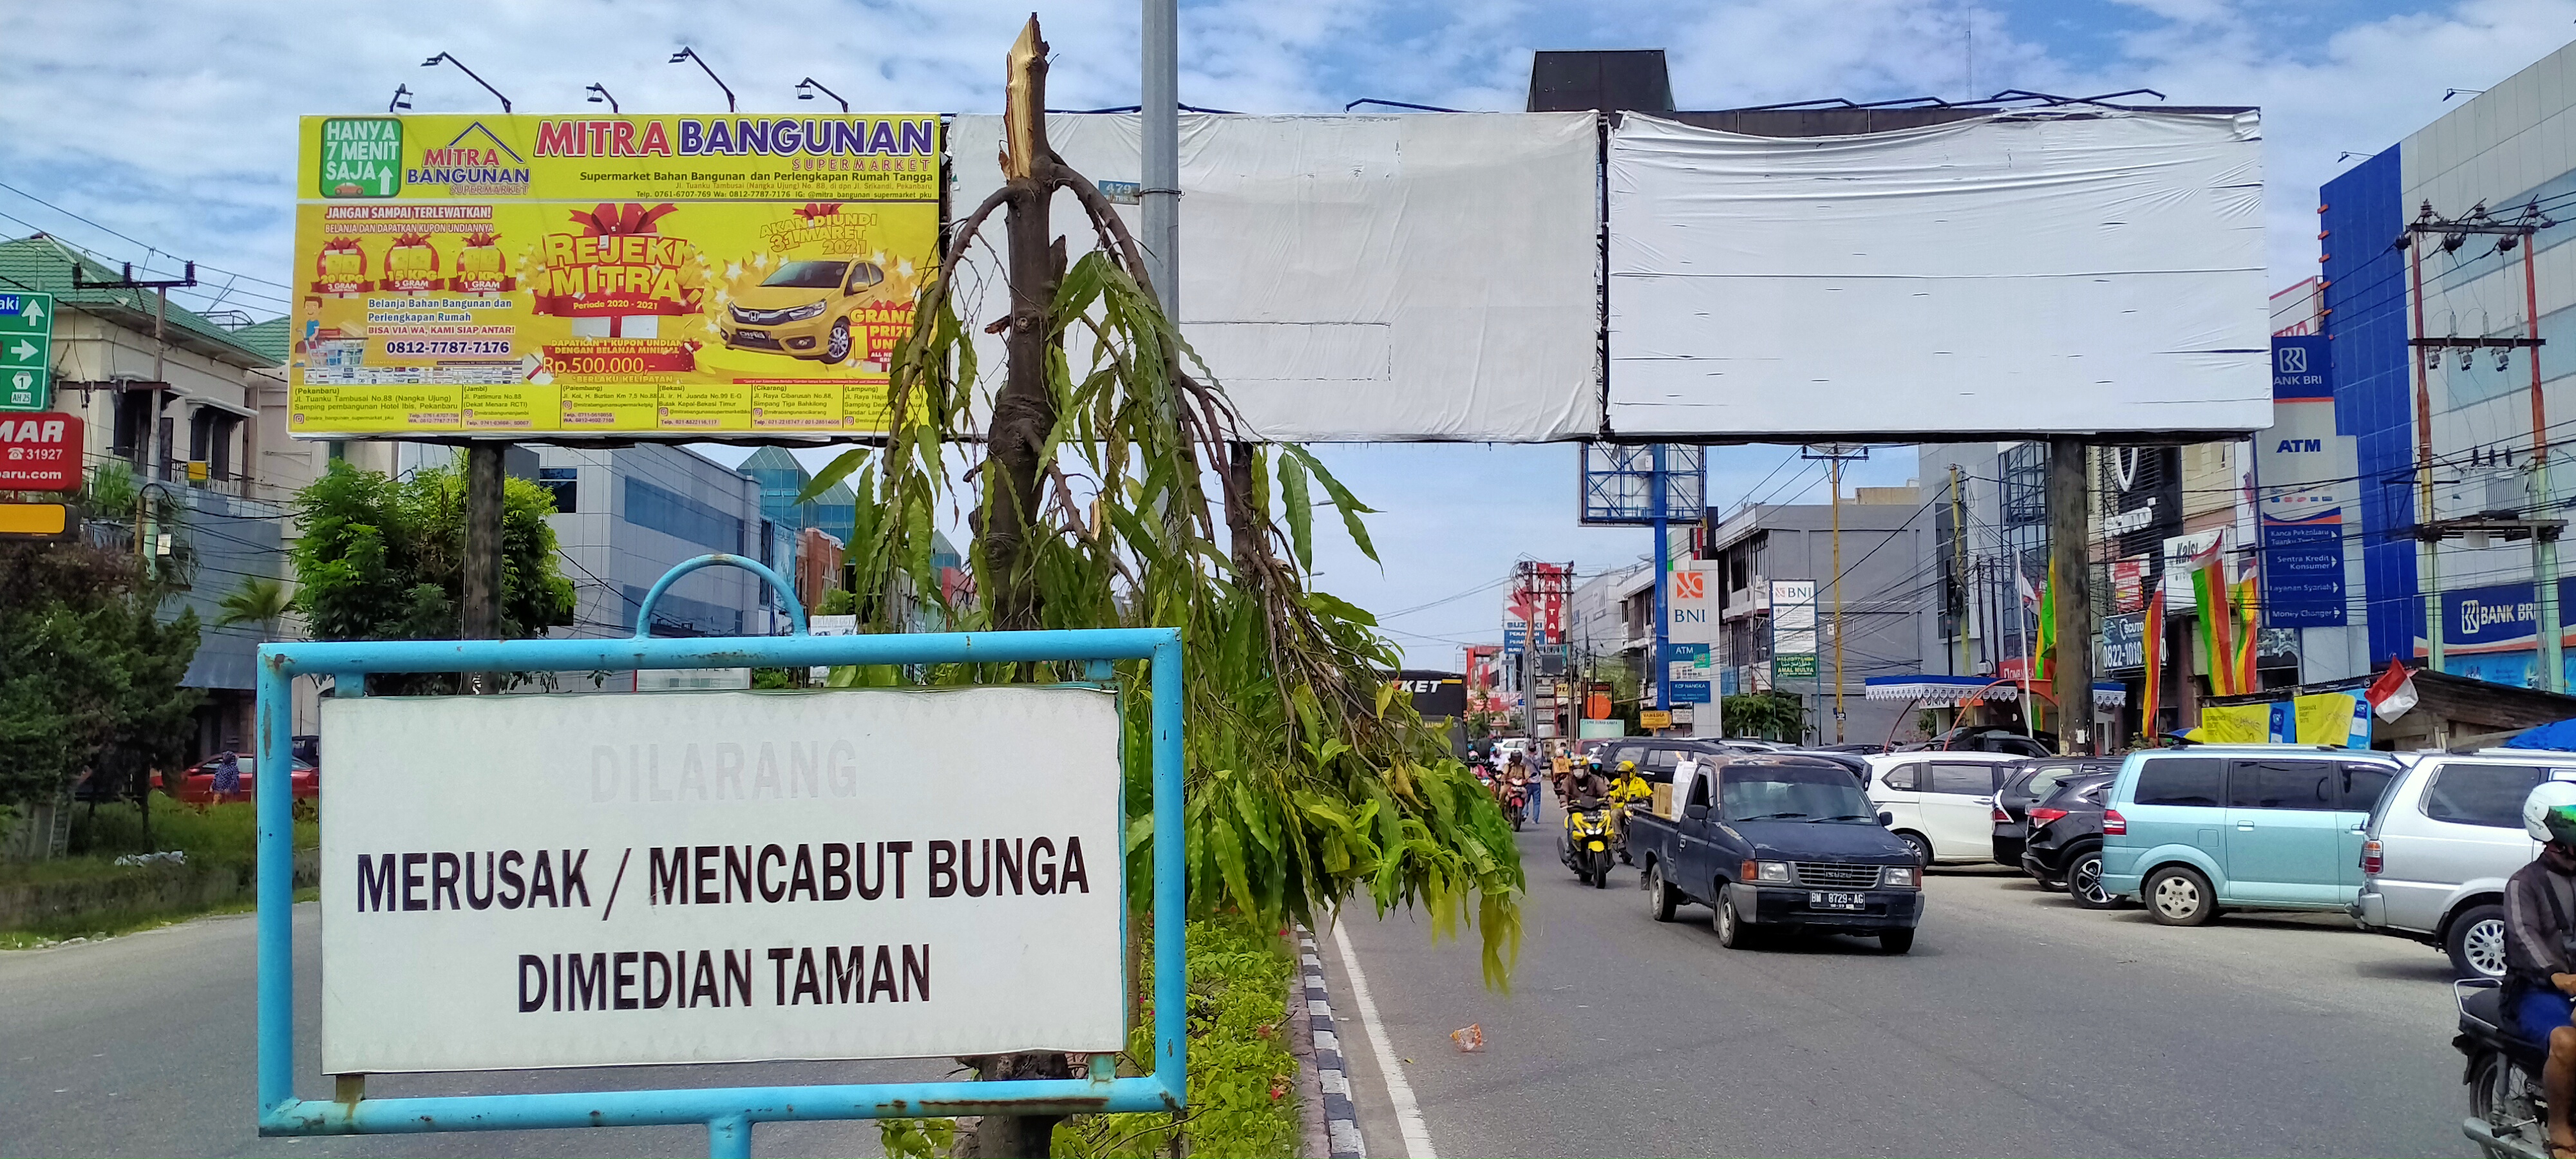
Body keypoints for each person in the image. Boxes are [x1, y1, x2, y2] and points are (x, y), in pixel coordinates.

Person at [2506, 781, 2576, 1159]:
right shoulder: (2524, 883)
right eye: (2569, 818)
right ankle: (2562, 1130)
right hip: (2537, 989)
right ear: (2548, 831)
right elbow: (2522, 936)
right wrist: (2556, 974)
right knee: (2567, 1043)